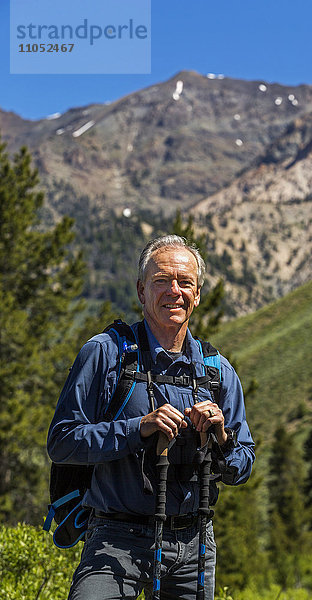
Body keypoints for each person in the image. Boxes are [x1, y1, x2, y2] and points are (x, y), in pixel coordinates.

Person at [47, 234, 255, 600]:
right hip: (114, 540)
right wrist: (137, 428)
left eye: (185, 282)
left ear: (198, 294)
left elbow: (244, 464)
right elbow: (62, 441)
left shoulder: (218, 372)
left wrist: (222, 437)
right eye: (161, 281)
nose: (174, 291)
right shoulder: (106, 354)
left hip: (195, 544)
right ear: (142, 291)